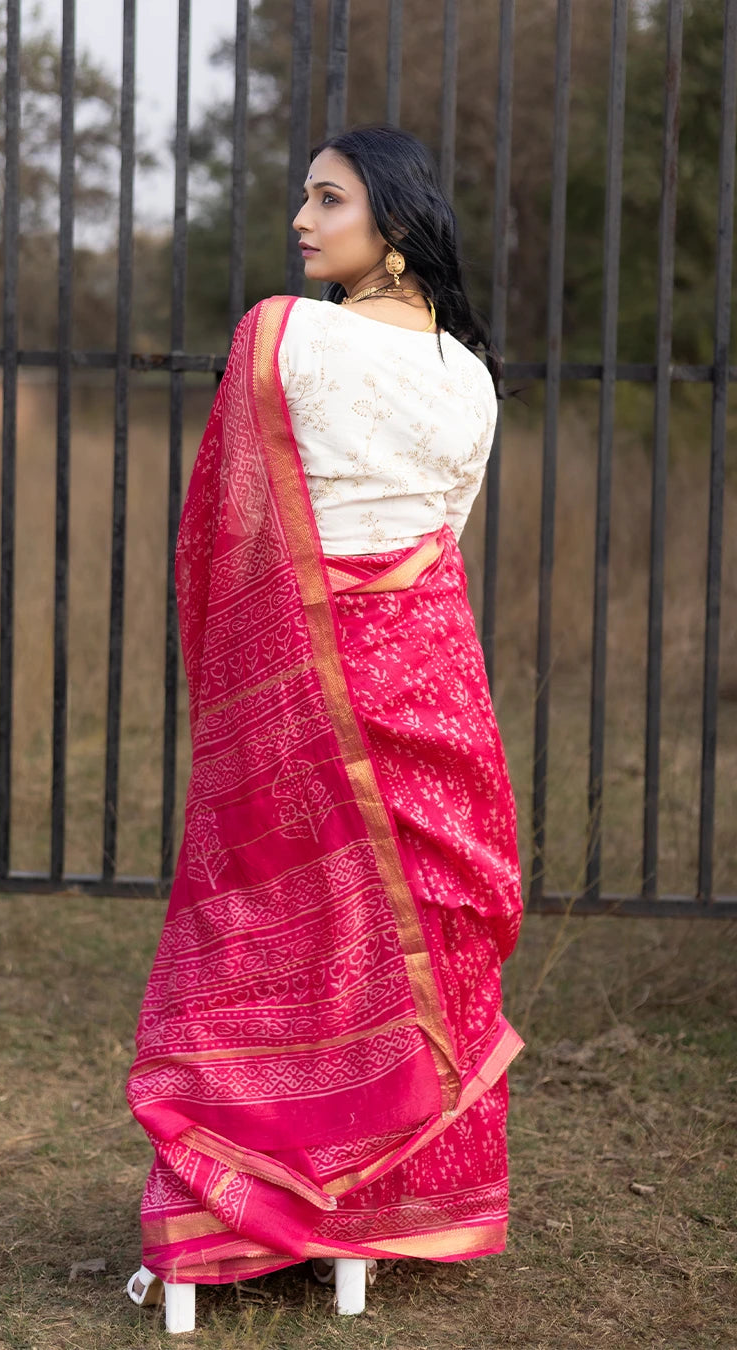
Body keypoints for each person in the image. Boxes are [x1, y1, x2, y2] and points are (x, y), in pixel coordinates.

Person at [124, 124, 523, 1331]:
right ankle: (361, 1214)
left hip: (306, 677)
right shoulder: (474, 378)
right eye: (305, 197)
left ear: (391, 224)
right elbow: (443, 535)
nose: (302, 220)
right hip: (433, 682)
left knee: (271, 940)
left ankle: (237, 1207)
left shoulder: (282, 335)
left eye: (328, 198)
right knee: (404, 949)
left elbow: (221, 531)